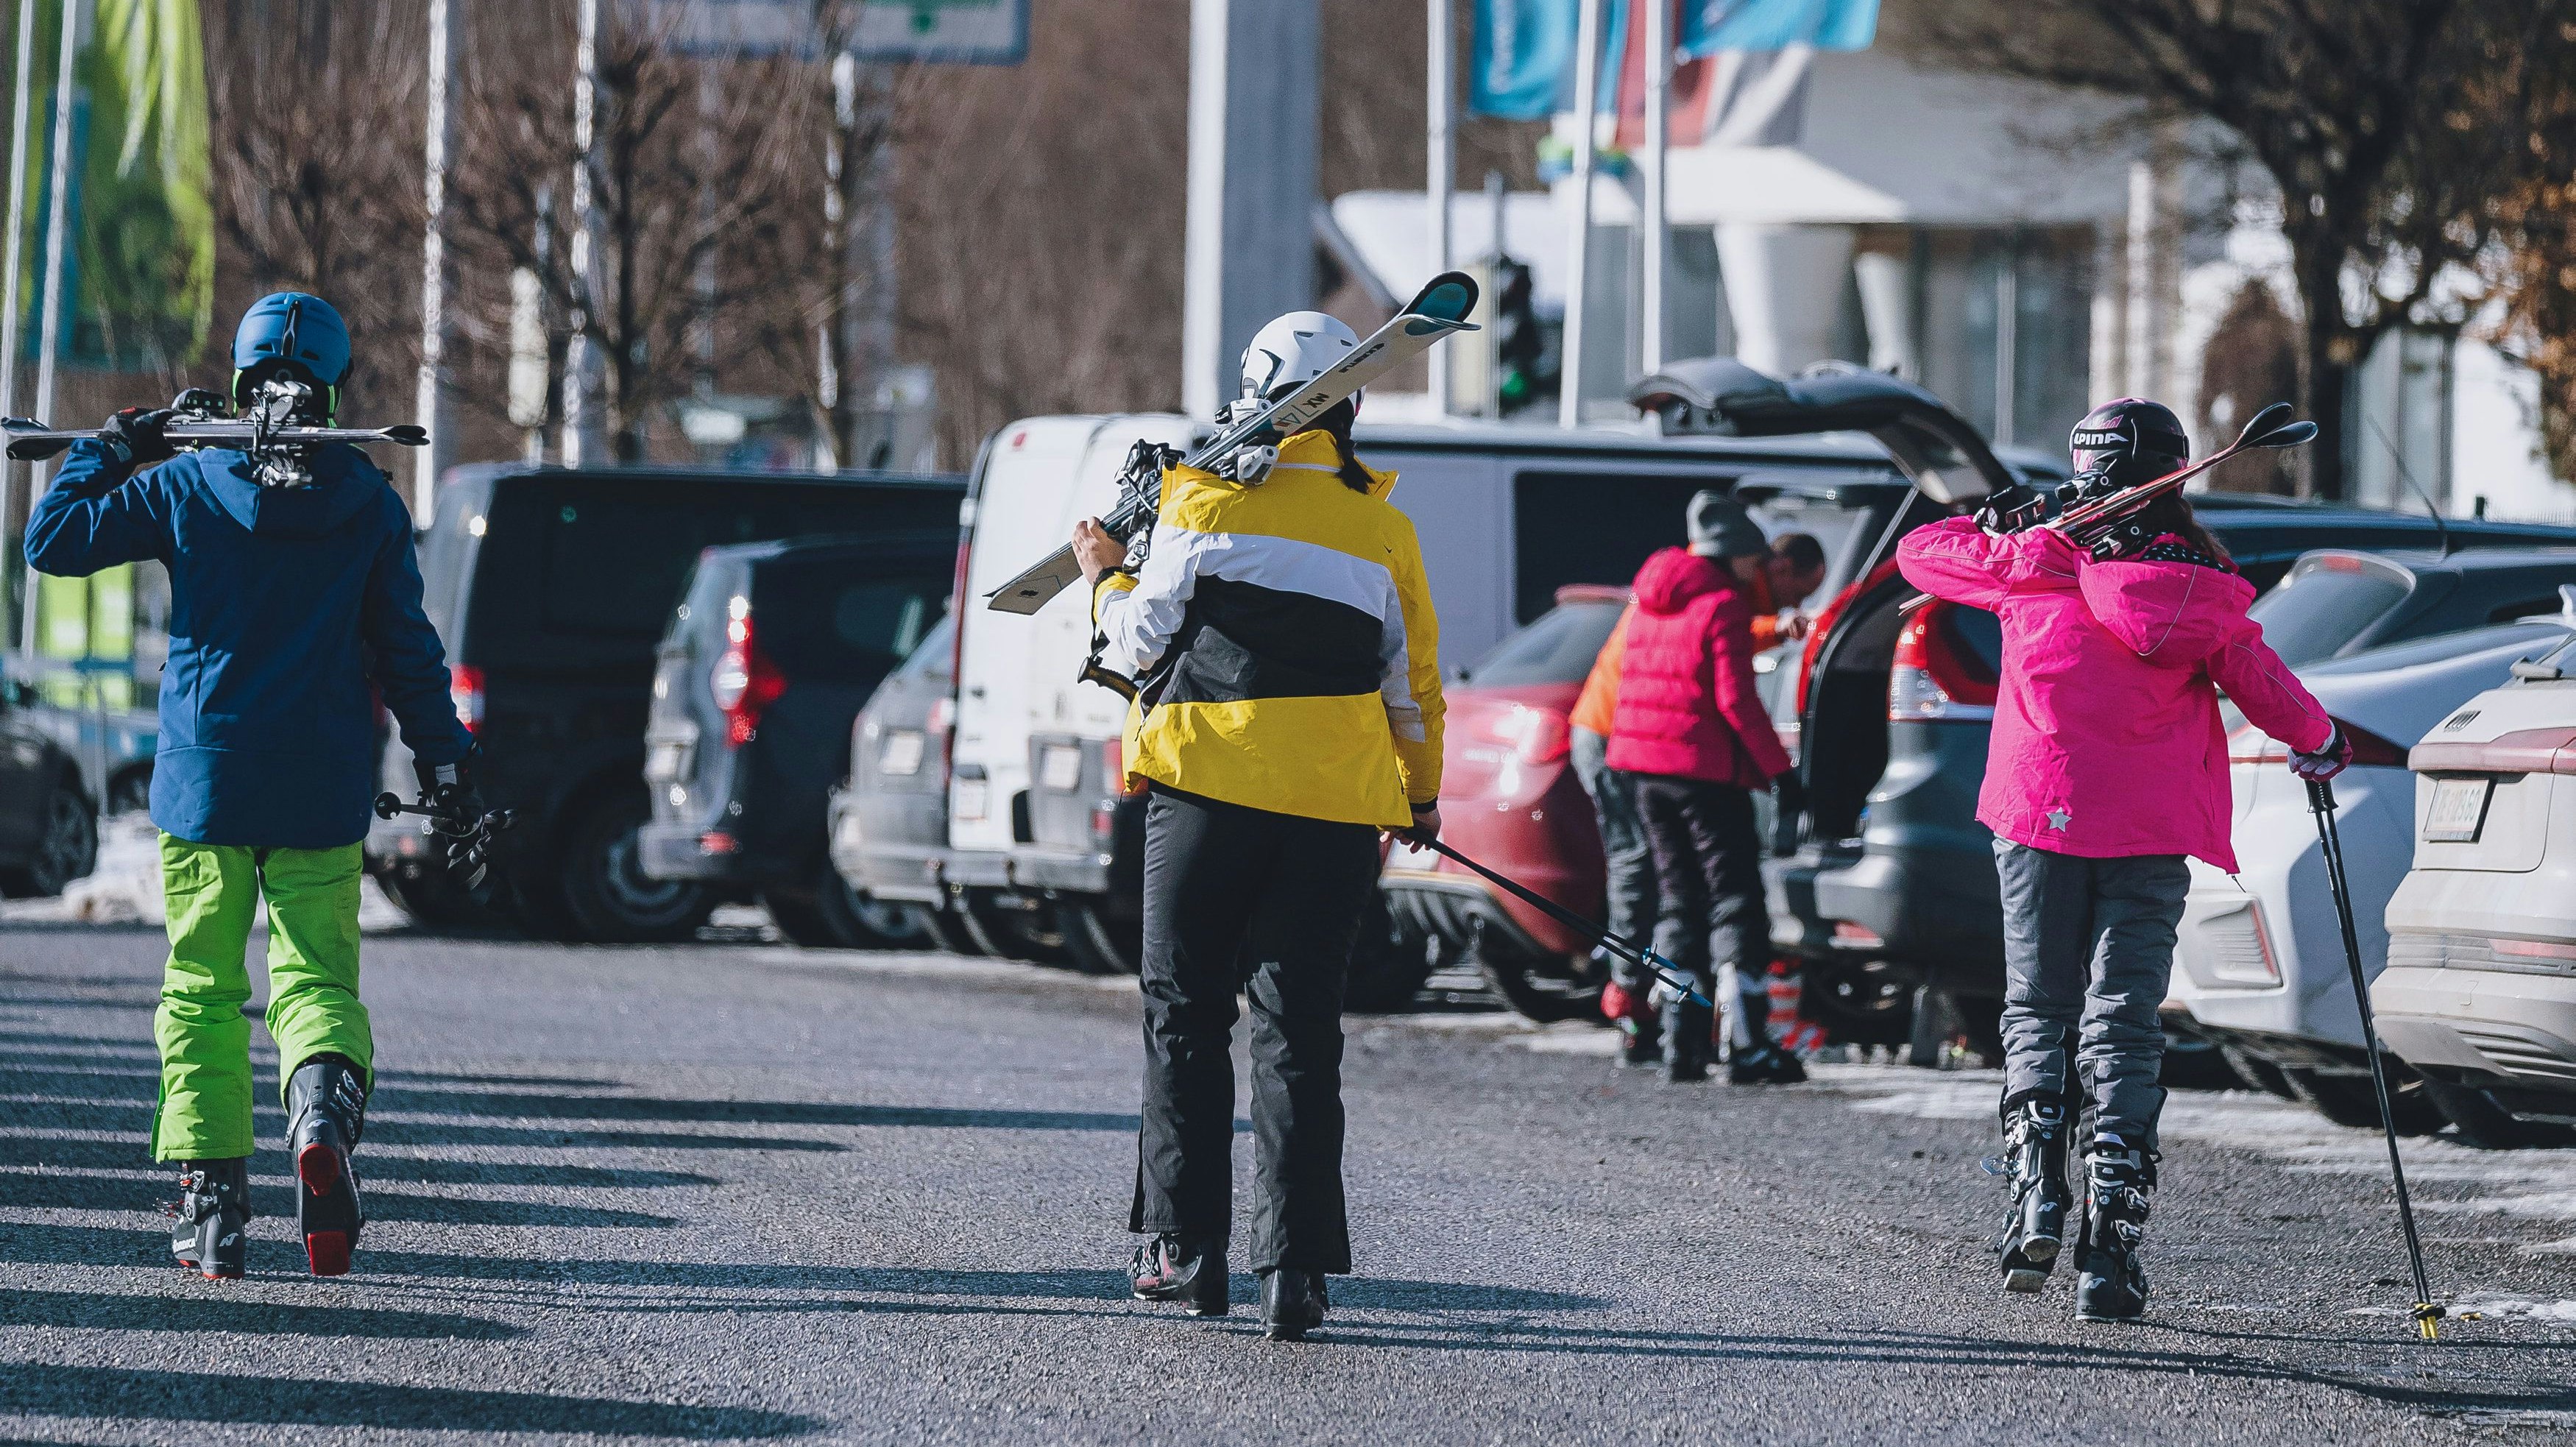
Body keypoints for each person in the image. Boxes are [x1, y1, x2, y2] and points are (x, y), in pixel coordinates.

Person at [24, 292, 481, 1280]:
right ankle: (319, 1108)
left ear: (237, 384)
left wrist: (112, 445)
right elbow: (409, 653)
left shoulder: (185, 488)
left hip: (208, 790)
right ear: (331, 386)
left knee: (201, 992)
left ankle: (214, 1205)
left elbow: (51, 541)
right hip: (318, 791)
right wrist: (447, 765)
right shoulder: (367, 504)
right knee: (313, 980)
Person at [1897, 397, 2347, 1323]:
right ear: (2174, 473)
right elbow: (2259, 679)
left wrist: (2006, 514)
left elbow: (1921, 553)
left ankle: (2034, 1197)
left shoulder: (2032, 562)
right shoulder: (2200, 584)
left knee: (2038, 1005)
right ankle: (2110, 1246)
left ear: (2090, 466)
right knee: (2123, 1017)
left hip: (2037, 812)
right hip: (2149, 824)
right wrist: (2321, 737)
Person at [1072, 309, 1445, 1342]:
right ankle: (1299, 1270)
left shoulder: (1199, 501)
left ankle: (1184, 1250)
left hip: (1206, 790)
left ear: (1250, 393)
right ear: (1353, 403)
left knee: (1185, 1012)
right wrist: (1419, 796)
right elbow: (1412, 688)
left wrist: (1105, 570)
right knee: (1299, 1033)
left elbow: (1139, 645)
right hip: (1332, 807)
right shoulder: (1385, 530)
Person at [1574, 528, 1827, 1066]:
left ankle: (1680, 1041)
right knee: (1736, 900)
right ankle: (1746, 1045)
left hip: (1645, 774)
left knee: (1678, 900)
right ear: (1737, 559)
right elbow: (1736, 700)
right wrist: (1781, 773)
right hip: (1704, 776)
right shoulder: (1723, 604)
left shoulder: (1650, 602)